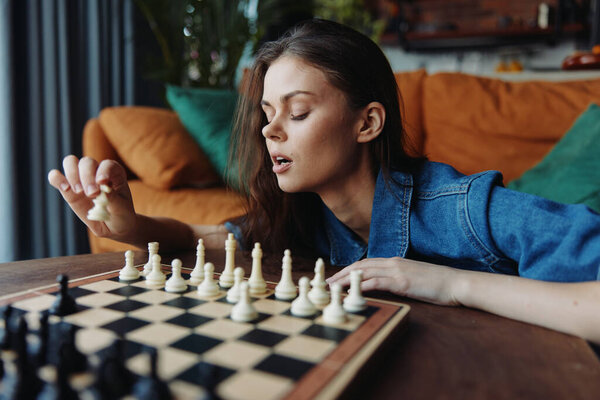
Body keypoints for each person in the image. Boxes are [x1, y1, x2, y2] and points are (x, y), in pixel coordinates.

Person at [48, 19, 600, 343]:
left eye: (298, 111)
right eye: (267, 113)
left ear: (367, 123)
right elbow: (211, 238)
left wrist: (451, 284)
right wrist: (127, 222)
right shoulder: (310, 214)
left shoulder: (461, 209)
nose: (270, 131)